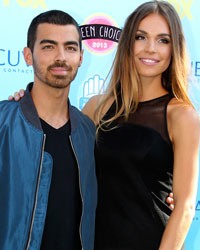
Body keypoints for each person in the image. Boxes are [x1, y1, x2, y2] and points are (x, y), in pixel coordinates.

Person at [82, 1, 200, 250]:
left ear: (174, 49)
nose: (150, 49)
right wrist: (23, 102)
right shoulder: (97, 107)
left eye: (163, 40)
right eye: (141, 37)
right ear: (128, 43)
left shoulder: (182, 116)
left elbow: (186, 207)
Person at [0, 10, 97, 250]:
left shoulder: (87, 131)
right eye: (48, 47)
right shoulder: (4, 122)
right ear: (28, 55)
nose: (61, 57)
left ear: (81, 57)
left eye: (70, 48)